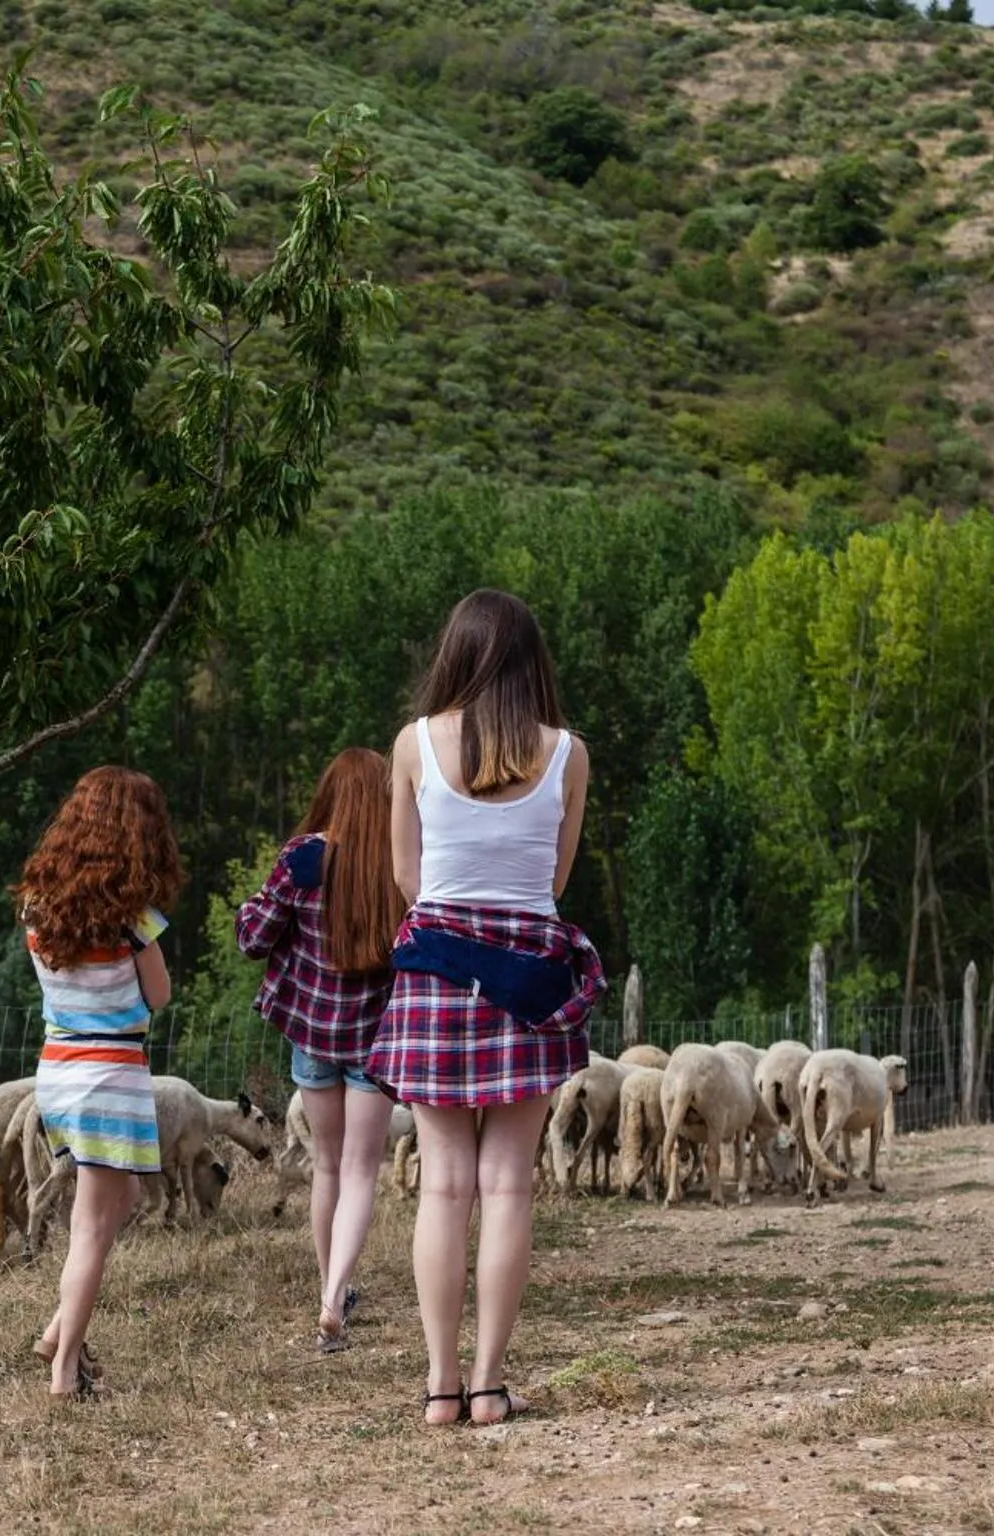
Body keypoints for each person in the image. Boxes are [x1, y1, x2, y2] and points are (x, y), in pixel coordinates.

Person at [366, 589, 603, 1428]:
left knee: (444, 1189)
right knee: (508, 1186)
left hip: (435, 975)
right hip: (529, 976)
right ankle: (491, 1385)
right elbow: (556, 882)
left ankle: (438, 1386)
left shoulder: (411, 746)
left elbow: (406, 878)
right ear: (533, 660)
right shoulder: (568, 754)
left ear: (456, 655)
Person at [16, 766, 184, 1400]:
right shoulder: (134, 919)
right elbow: (160, 995)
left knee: (118, 1203)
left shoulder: (36, 906)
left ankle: (59, 1329)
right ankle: (65, 1369)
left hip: (56, 1072)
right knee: (93, 1225)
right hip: (112, 1072)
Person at [236, 747, 403, 1356]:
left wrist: (271, 901)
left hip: (312, 1035)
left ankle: (330, 1293)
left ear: (329, 793)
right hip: (374, 1041)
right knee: (362, 1172)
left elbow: (253, 937)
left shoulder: (302, 858)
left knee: (326, 1168)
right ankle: (335, 1299)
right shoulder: (400, 864)